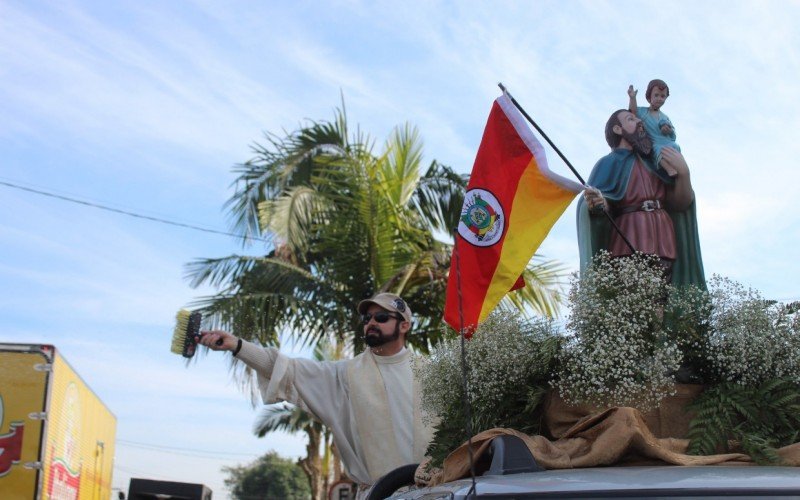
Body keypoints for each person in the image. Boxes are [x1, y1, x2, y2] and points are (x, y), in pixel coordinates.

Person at [197, 292, 435, 491]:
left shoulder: (432, 373)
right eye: (367, 318)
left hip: (435, 493)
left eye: (381, 317)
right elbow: (287, 370)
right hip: (377, 494)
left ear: (404, 325)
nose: (371, 323)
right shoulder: (346, 375)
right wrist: (237, 346)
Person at [577, 109, 705, 287]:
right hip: (629, 233)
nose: (639, 121)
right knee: (633, 294)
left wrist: (684, 174)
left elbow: (680, 204)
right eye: (631, 119)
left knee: (662, 294)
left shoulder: (655, 163)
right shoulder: (608, 163)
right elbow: (598, 202)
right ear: (618, 129)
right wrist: (598, 202)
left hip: (663, 237)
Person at [628, 79, 681, 173]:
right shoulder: (643, 112)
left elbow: (673, 133)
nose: (659, 98)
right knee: (656, 149)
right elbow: (633, 112)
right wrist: (632, 98)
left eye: (662, 96)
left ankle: (678, 168)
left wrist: (669, 130)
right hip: (653, 141)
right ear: (649, 97)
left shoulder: (665, 117)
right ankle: (668, 169)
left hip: (665, 140)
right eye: (656, 95)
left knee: (675, 146)